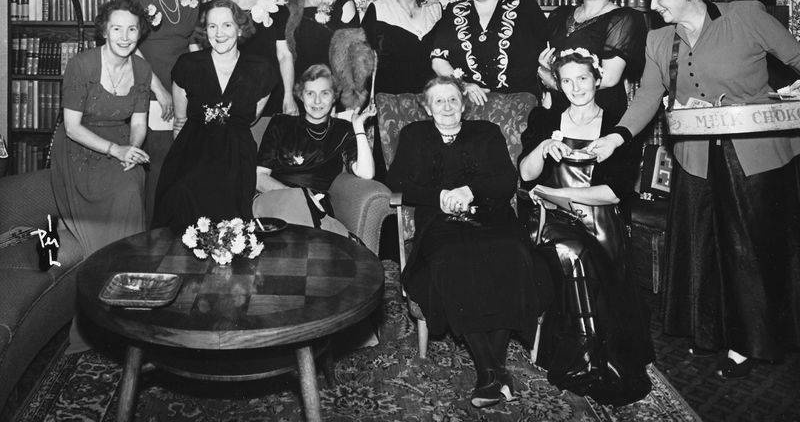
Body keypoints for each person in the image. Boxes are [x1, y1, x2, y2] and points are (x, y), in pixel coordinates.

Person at [587, 0, 800, 379]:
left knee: (748, 251)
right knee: (704, 249)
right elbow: (648, 97)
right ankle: (711, 332)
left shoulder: (746, 17)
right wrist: (616, 137)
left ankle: (750, 342)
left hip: (755, 156)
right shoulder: (659, 40)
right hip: (696, 159)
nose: (653, 6)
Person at [385, 76, 552, 408]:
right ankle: (493, 371)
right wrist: (439, 196)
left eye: (453, 99)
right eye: (438, 100)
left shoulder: (487, 132)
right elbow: (396, 180)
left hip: (492, 216)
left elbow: (507, 179)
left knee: (511, 253)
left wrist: (470, 190)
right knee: (454, 258)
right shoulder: (414, 135)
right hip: (440, 220)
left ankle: (489, 374)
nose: (447, 106)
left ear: (464, 104)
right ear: (427, 107)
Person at [518, 47, 654, 407]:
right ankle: (585, 361)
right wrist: (543, 148)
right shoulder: (545, 119)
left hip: (599, 221)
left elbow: (615, 193)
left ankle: (602, 355)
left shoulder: (617, 126)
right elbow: (526, 176)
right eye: (567, 81)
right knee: (574, 252)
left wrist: (560, 193)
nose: (576, 87)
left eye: (582, 78)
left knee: (601, 263)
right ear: (558, 84)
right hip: (550, 220)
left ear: (597, 79)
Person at [152, 0, 275, 230]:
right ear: (205, 31)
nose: (219, 33)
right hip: (193, 149)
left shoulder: (261, 69)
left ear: (240, 29)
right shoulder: (188, 65)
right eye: (212, 26)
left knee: (229, 209)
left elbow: (250, 119)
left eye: (227, 25)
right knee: (182, 193)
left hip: (236, 154)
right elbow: (180, 121)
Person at [51, 0, 153, 256]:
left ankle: (128, 261)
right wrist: (115, 150)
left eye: (132, 29)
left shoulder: (143, 68)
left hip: (121, 140)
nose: (125, 37)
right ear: (105, 31)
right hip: (80, 146)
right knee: (120, 190)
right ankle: (101, 260)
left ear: (139, 32)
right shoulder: (82, 65)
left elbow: (139, 122)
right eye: (117, 28)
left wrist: (131, 150)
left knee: (131, 185)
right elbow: (71, 127)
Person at [116, 0, 202, 226]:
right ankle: (153, 233)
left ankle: (183, 231)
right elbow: (129, 45)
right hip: (147, 82)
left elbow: (193, 44)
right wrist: (160, 90)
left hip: (184, 84)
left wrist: (197, 88)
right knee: (158, 162)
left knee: (187, 160)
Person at [252, 64, 376, 234]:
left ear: (334, 97)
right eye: (310, 93)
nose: (317, 101)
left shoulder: (342, 130)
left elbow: (367, 173)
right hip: (275, 200)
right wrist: (302, 197)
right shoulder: (280, 124)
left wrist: (358, 127)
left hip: (316, 208)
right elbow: (259, 178)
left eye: (325, 93)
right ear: (301, 96)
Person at [431, 0, 548, 106]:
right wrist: (463, 86)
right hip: (470, 106)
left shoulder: (525, 6)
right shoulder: (454, 11)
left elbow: (547, 55)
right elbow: (438, 60)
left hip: (520, 106)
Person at [538, 0, 646, 117]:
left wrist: (555, 83)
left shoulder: (623, 18)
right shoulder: (559, 15)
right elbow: (549, 69)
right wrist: (545, 114)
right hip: (560, 110)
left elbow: (609, 79)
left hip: (600, 114)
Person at [221, 0, 297, 120]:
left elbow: (284, 56)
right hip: (228, 96)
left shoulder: (276, 11)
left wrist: (288, 96)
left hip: (270, 96)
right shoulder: (216, 11)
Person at [361, 0, 441, 95]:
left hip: (432, 98)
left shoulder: (436, 9)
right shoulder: (378, 10)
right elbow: (361, 61)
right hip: (391, 99)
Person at [285, 0, 360, 81]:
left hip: (332, 86)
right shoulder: (293, 6)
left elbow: (352, 59)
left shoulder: (344, 4)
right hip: (299, 84)